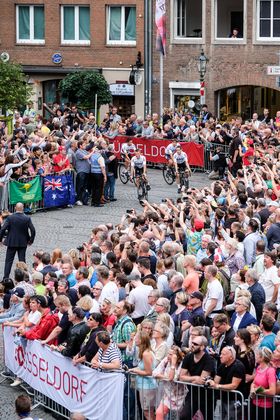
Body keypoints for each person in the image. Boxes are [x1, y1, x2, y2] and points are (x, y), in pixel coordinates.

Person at [207, 346, 246, 419]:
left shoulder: (238, 366)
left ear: (231, 357)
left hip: (234, 399)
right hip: (224, 397)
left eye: (223, 354)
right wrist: (210, 382)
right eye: (221, 353)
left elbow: (234, 385)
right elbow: (216, 381)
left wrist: (218, 386)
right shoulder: (222, 365)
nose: (220, 356)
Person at [0, 202, 36, 279]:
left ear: (15, 208)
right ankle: (24, 278)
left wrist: (0, 239)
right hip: (23, 242)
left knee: (8, 261)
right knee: (22, 261)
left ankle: (5, 278)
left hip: (11, 242)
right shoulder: (27, 218)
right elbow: (33, 230)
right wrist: (31, 240)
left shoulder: (10, 218)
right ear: (22, 208)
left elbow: (3, 229)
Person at [129, 332, 157, 420]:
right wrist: (133, 369)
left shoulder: (146, 354)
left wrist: (135, 370)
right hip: (144, 386)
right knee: (148, 412)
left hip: (147, 387)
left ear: (141, 340)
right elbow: (142, 367)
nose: (134, 340)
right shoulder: (144, 352)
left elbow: (149, 372)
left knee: (148, 413)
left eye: (136, 338)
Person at [153, 346, 186, 420]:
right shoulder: (165, 361)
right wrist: (166, 377)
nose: (168, 356)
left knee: (181, 417)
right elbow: (155, 373)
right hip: (168, 394)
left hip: (181, 394)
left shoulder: (182, 364)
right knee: (159, 412)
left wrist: (173, 364)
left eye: (171, 354)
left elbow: (172, 377)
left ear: (177, 356)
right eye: (168, 353)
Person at [250, 347, 277, 420]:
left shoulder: (270, 371)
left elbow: (272, 391)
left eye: (258, 355)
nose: (256, 356)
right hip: (254, 403)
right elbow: (253, 383)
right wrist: (252, 390)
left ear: (262, 358)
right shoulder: (258, 368)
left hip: (265, 407)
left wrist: (257, 391)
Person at [234, 328, 255, 397]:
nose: (234, 338)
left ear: (242, 340)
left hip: (242, 386)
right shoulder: (250, 351)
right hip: (244, 384)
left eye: (237, 337)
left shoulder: (243, 356)